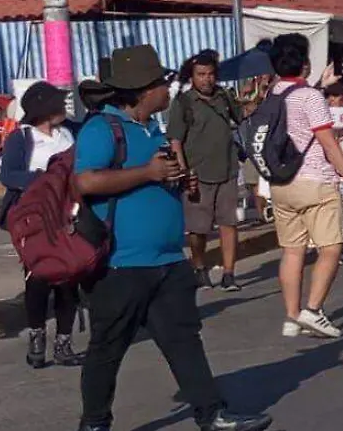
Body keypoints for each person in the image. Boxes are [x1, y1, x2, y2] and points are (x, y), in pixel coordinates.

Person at [74, 46, 270, 431]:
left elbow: (157, 177)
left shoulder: (152, 129)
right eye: (163, 83)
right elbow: (86, 181)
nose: (169, 89)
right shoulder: (103, 128)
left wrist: (178, 180)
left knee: (184, 341)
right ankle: (95, 423)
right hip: (121, 265)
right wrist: (147, 173)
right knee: (107, 349)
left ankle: (211, 414)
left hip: (167, 260)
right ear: (143, 89)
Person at [266, 34, 343, 339]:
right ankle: (312, 311)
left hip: (282, 182)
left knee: (292, 251)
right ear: (305, 63)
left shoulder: (273, 94)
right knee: (331, 247)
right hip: (315, 180)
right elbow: (328, 143)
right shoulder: (310, 97)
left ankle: (291, 316)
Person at [0, 82, 83, 368]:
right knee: (38, 278)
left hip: (68, 214)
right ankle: (37, 336)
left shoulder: (68, 132)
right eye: (58, 103)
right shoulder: (22, 138)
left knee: (69, 278)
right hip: (35, 218)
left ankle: (64, 343)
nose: (63, 107)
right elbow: (9, 175)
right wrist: (44, 180)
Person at [167, 51, 244, 292]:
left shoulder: (224, 96)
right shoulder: (183, 103)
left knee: (229, 223)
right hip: (197, 175)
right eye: (201, 74)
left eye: (210, 74)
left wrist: (258, 93)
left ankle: (229, 274)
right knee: (198, 229)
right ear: (191, 76)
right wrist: (183, 171)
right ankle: (200, 268)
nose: (206, 79)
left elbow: (242, 116)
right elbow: (175, 141)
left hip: (228, 170)